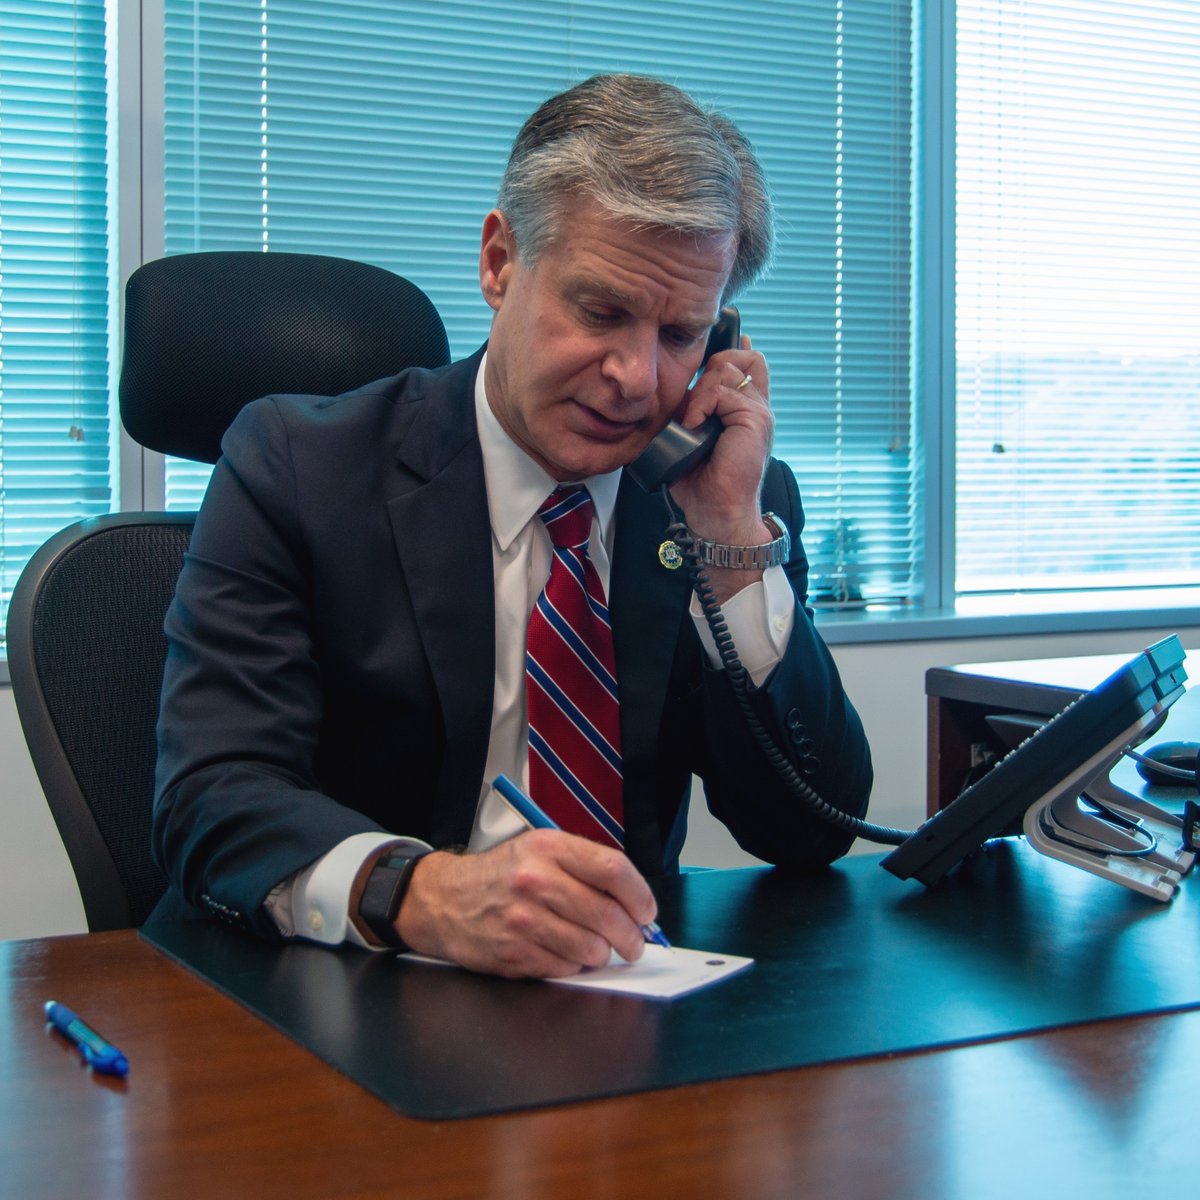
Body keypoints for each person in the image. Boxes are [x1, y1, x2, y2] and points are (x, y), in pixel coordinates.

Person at [150, 72, 873, 978]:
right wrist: (421, 893)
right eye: (601, 311)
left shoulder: (715, 504)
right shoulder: (296, 466)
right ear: (500, 262)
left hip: (614, 1003)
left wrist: (728, 540)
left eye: (682, 333)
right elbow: (211, 797)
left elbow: (811, 829)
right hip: (340, 994)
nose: (636, 377)